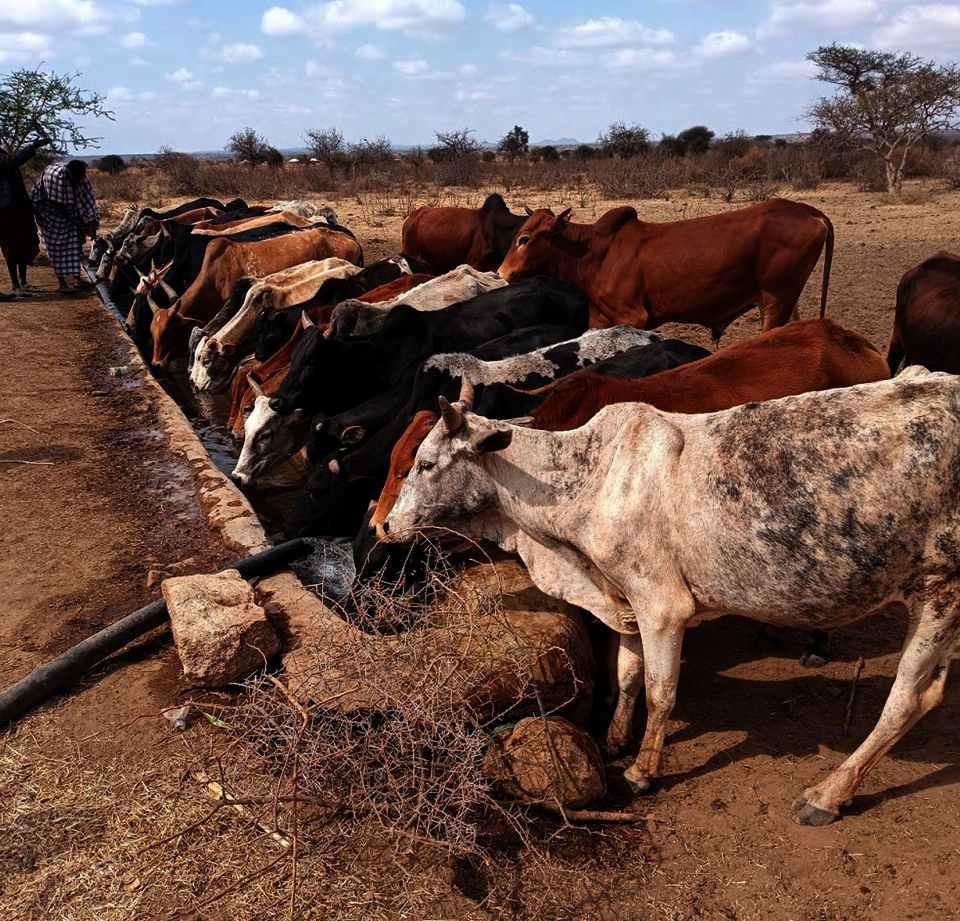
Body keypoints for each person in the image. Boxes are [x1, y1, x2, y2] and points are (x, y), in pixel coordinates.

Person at [30, 158, 100, 294]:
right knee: (55, 247)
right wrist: (74, 221)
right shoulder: (54, 177)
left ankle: (77, 279)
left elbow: (88, 199)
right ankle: (62, 282)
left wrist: (91, 223)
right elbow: (56, 203)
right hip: (49, 212)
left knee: (74, 243)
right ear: (69, 173)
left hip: (71, 209)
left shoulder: (82, 178)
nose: (79, 180)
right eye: (76, 177)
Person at [0, 135, 53, 299]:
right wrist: (33, 147)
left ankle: (23, 282)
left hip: (18, 203)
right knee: (11, 246)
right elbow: (10, 162)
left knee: (23, 242)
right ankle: (16, 285)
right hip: (7, 207)